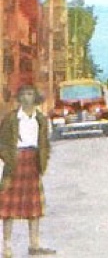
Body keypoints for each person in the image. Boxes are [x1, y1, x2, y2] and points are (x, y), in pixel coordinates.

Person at [0, 85, 55, 257]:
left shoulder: (41, 119)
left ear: (35, 97)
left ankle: (34, 244)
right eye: (23, 94)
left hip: (33, 161)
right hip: (15, 161)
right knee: (8, 207)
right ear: (19, 97)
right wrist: (9, 158)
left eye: (30, 94)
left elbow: (45, 142)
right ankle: (7, 247)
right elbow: (1, 142)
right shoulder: (11, 118)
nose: (26, 97)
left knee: (34, 206)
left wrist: (43, 159)